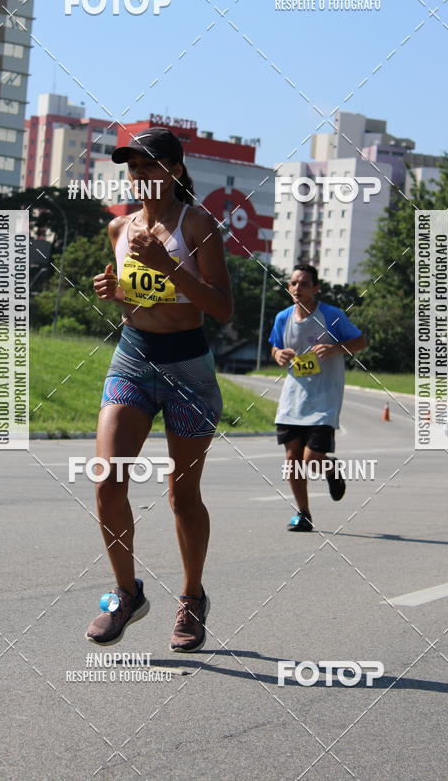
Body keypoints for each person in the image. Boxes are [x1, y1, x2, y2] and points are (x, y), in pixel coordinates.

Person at [85, 127, 233, 652]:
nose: (141, 177)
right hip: (133, 360)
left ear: (175, 170)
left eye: (150, 166)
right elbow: (136, 299)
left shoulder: (198, 225)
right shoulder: (120, 228)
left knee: (181, 495)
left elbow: (220, 308)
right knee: (107, 480)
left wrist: (167, 263)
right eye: (133, 169)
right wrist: (115, 292)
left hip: (188, 369)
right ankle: (126, 593)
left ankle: (192, 598)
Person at [268, 264, 367, 531]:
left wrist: (335, 348)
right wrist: (278, 355)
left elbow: (360, 342)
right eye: (293, 283)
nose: (297, 288)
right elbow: (275, 347)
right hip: (293, 398)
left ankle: (331, 469)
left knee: (311, 461)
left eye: (303, 284)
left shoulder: (332, 316)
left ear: (315, 288)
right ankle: (303, 513)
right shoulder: (282, 318)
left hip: (324, 397)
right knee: (292, 462)